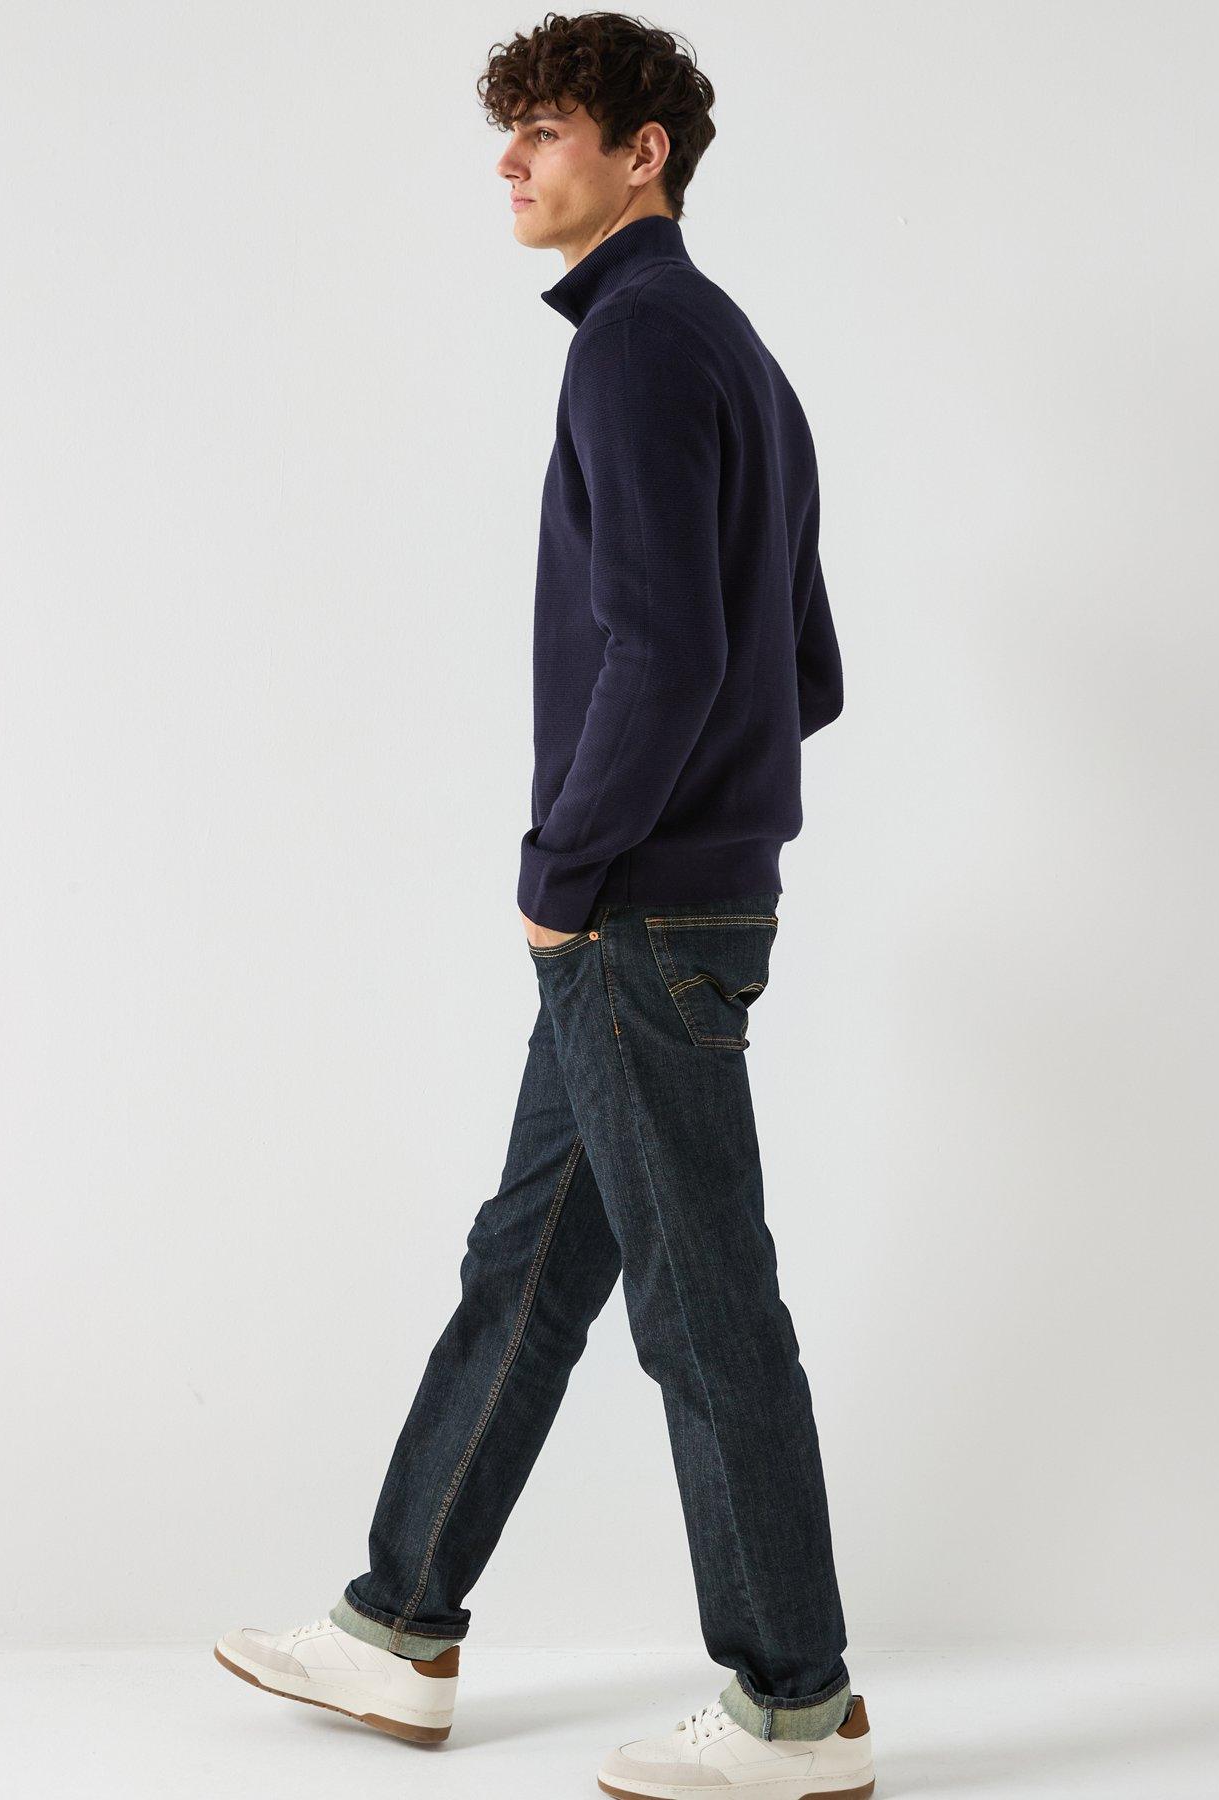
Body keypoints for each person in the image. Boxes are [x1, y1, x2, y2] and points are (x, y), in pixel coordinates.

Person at [215, 14, 874, 1797]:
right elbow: (803, 672)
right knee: (528, 1265)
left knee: (702, 1307)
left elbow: (669, 652)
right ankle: (397, 1628)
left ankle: (794, 1711)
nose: (509, 161)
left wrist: (562, 874)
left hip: (635, 914)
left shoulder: (638, 346)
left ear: (642, 153)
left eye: (548, 129)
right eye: (505, 131)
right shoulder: (730, 349)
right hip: (673, 903)